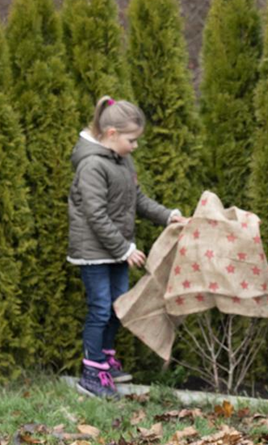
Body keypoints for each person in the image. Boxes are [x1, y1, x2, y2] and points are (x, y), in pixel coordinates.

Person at [67, 96, 187, 398]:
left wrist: (168, 216)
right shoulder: (92, 165)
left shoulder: (121, 160)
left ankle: (105, 360)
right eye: (131, 140)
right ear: (112, 134)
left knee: (118, 306)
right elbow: (95, 215)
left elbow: (138, 199)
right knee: (100, 309)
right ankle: (91, 372)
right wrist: (125, 249)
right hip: (94, 254)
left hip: (117, 251)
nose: (135, 146)